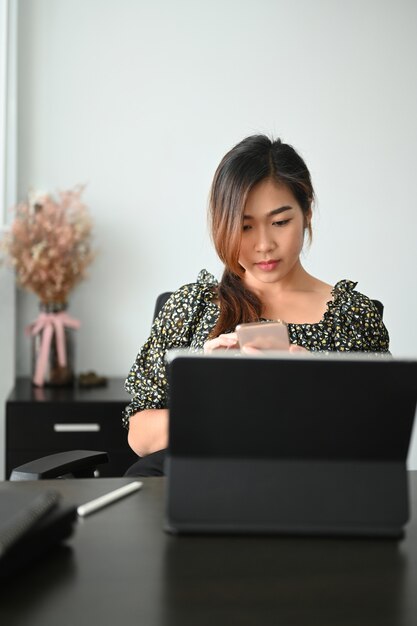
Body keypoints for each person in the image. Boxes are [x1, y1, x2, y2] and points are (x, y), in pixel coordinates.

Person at [122, 135, 389, 476]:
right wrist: (208, 391)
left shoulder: (353, 316)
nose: (264, 245)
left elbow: (378, 441)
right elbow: (140, 438)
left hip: (311, 490)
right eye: (245, 226)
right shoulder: (191, 307)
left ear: (306, 212)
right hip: (204, 491)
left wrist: (320, 387)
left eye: (280, 222)